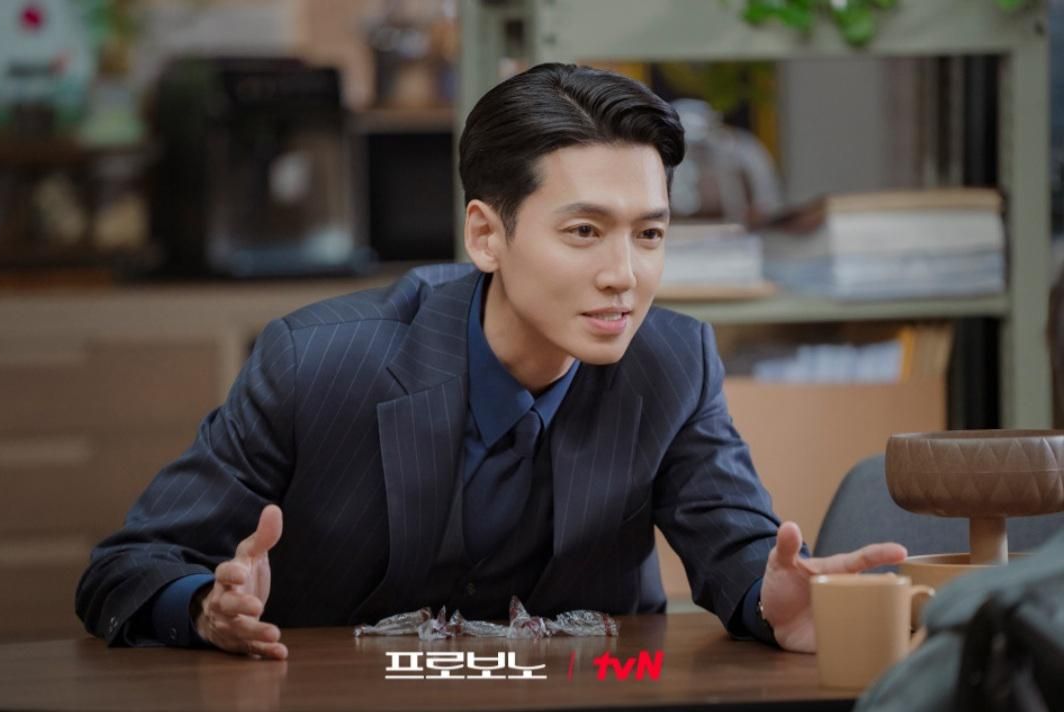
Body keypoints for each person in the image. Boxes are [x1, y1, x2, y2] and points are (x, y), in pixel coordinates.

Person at [76, 63, 905, 660]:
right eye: (584, 231)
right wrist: (205, 608)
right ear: (485, 235)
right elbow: (126, 568)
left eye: (649, 233)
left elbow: (737, 546)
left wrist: (771, 597)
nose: (624, 273)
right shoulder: (318, 362)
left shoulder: (672, 361)